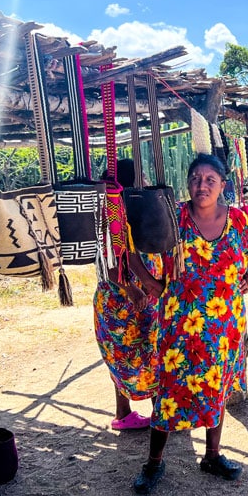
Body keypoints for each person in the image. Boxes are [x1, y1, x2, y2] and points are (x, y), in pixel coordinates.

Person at [134, 153, 248, 495]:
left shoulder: (239, 222)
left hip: (224, 326)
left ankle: (212, 456)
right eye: (196, 178)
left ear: (223, 185)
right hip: (177, 325)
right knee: (169, 392)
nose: (202, 185)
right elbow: (130, 247)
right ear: (188, 183)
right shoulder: (172, 216)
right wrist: (150, 284)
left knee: (217, 387)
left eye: (211, 180)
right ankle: (153, 463)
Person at [95, 159, 162, 430]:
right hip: (122, 299)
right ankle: (141, 413)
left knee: (152, 350)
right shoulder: (108, 216)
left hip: (144, 297)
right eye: (142, 177)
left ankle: (136, 412)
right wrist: (134, 287)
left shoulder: (137, 210)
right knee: (127, 355)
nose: (146, 181)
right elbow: (108, 261)